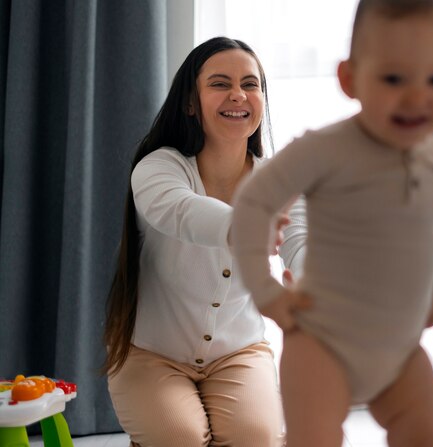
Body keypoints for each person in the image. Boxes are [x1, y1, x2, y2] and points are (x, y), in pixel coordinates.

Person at [230, 1, 433, 446]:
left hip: (400, 350)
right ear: (349, 79)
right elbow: (253, 202)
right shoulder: (326, 149)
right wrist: (265, 291)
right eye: (394, 78)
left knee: (428, 436)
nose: (417, 96)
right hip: (321, 344)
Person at [103, 37, 300, 447]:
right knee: (182, 437)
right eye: (219, 83)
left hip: (239, 352)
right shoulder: (159, 167)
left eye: (250, 84)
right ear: (190, 103)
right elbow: (179, 211)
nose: (238, 95)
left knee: (256, 439)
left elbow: (301, 239)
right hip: (150, 353)